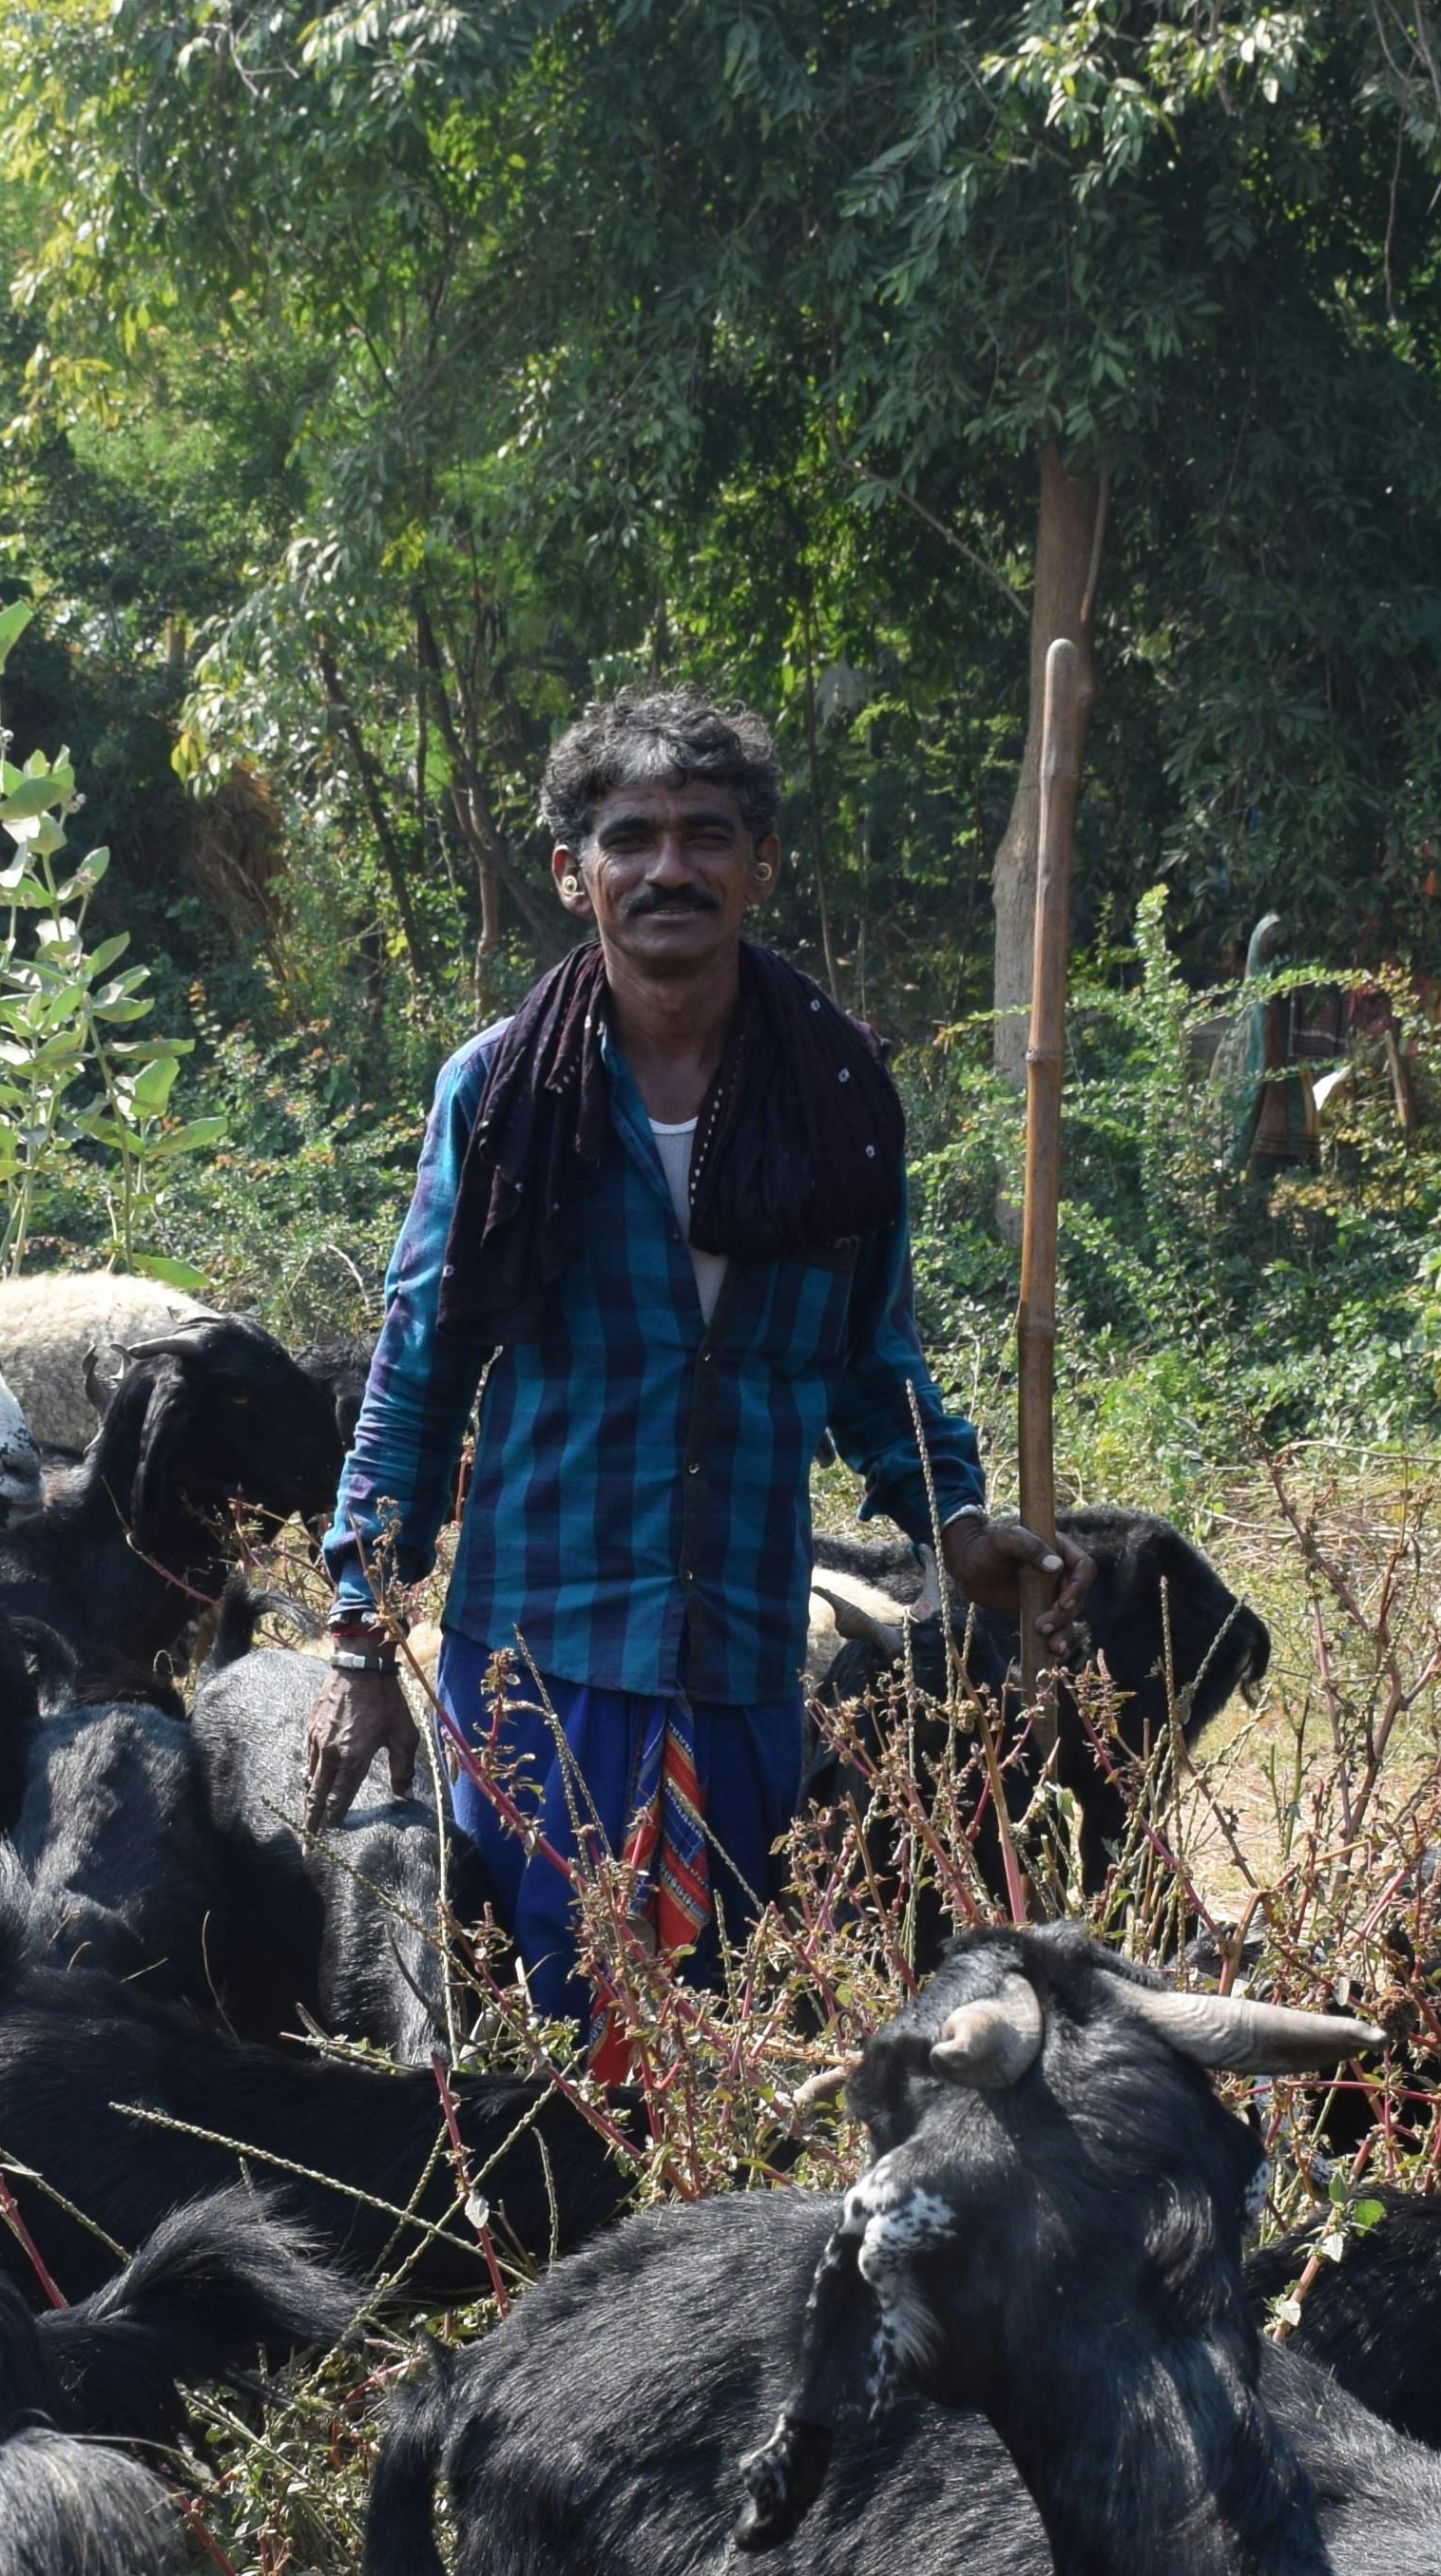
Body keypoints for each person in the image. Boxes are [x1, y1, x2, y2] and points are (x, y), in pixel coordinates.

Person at [308, 686, 1084, 2037]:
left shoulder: (837, 1096)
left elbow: (872, 1360)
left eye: (706, 835)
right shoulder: (501, 1094)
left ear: (759, 864)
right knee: (530, 2044)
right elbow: (420, 1368)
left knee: (724, 2031)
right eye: (632, 838)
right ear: (575, 873)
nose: (670, 868)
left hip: (740, 1662)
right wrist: (364, 1640)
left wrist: (955, 1524)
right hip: (542, 1661)